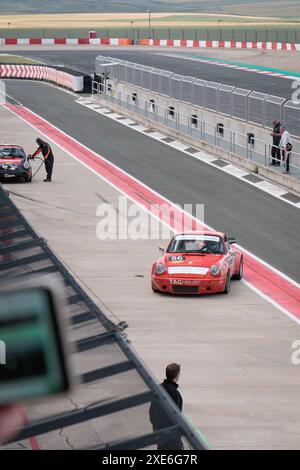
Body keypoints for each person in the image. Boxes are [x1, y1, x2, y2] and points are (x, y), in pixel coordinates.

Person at [149, 363, 183, 450]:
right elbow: (177, 414)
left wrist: (155, 425)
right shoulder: (175, 394)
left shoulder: (158, 388)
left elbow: (152, 410)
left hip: (158, 429)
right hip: (171, 433)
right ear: (176, 376)